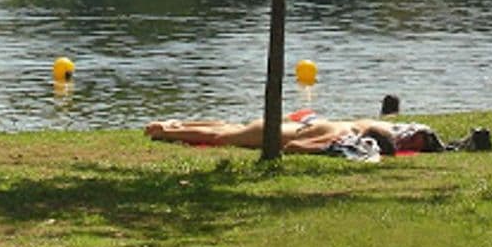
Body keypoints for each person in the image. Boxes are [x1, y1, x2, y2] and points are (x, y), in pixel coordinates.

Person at [144, 114, 442, 155]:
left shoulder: (360, 125)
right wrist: (326, 151)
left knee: (230, 128)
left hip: (293, 126)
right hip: (287, 132)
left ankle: (172, 125)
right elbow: (296, 147)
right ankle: (164, 132)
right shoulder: (346, 133)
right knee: (225, 138)